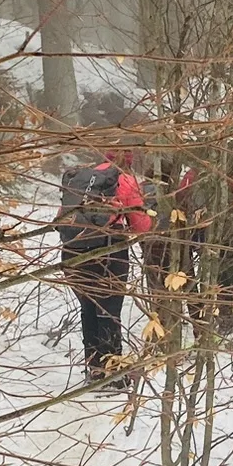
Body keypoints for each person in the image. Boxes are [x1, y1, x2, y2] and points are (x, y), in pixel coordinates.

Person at [55, 140, 154, 384]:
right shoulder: (125, 181)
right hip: (108, 252)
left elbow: (60, 219)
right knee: (109, 312)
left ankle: (95, 369)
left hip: (72, 252)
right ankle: (114, 373)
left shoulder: (79, 178)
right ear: (129, 161)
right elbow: (141, 226)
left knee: (88, 308)